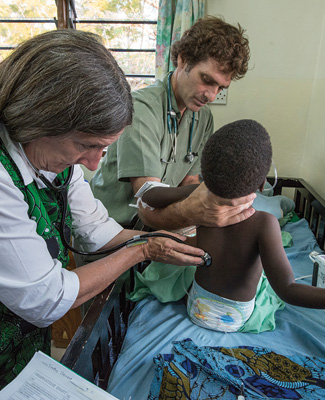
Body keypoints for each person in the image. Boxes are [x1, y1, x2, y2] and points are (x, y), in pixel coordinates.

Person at [0, 29, 211, 389]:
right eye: (87, 145)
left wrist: (160, 238)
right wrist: (142, 249)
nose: (95, 165)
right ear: (38, 121)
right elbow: (47, 297)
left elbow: (98, 231)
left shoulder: (58, 164)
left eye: (103, 149)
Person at [140, 119, 325, 333]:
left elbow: (149, 196)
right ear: (262, 184)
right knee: (267, 290)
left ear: (207, 176)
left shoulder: (201, 197)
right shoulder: (265, 223)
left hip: (197, 307)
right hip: (235, 319)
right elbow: (287, 289)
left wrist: (196, 189)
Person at [90, 15, 254, 231]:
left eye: (221, 88)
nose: (212, 96)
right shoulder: (141, 107)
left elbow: (189, 181)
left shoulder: (203, 119)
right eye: (207, 80)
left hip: (154, 225)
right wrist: (212, 189)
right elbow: (147, 196)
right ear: (183, 60)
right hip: (111, 228)